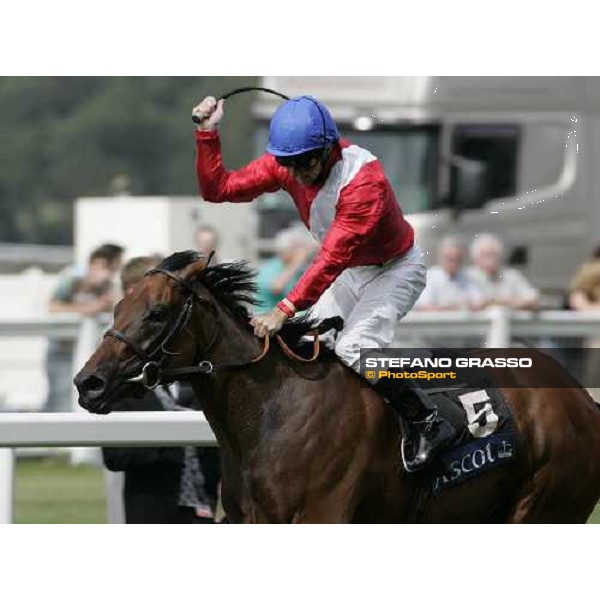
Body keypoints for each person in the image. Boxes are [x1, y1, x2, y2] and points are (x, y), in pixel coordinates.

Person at [192, 94, 454, 471]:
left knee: (353, 349)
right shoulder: (288, 161)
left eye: (304, 164)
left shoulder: (365, 182)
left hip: (394, 270)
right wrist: (207, 131)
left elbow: (332, 257)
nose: (296, 173)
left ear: (328, 148)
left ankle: (428, 422)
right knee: (311, 344)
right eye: (288, 164)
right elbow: (218, 189)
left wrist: (284, 308)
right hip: (351, 272)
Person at [102, 256, 221, 524]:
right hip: (151, 511)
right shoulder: (116, 372)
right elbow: (115, 455)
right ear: (132, 293)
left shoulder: (194, 365)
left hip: (204, 510)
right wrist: (175, 442)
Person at [43, 245, 118, 412]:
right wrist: (87, 309)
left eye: (105, 268)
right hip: (62, 349)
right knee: (59, 396)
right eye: (98, 267)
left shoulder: (108, 287)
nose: (101, 273)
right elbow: (52, 307)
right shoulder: (72, 282)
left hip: (91, 353)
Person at [468, 233, 540, 310]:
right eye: (486, 255)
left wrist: (500, 302)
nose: (491, 259)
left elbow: (533, 300)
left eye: (495, 254)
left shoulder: (512, 276)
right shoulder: (468, 277)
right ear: (475, 258)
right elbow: (473, 304)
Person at [415, 236, 486, 311]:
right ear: (442, 258)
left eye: (458, 259)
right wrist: (456, 308)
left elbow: (481, 302)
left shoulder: (468, 276)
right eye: (451, 259)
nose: (454, 263)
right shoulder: (429, 277)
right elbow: (424, 307)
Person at [256, 224, 317, 311]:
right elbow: (276, 288)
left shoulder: (299, 269)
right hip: (269, 317)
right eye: (295, 248)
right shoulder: (269, 268)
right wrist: (297, 261)